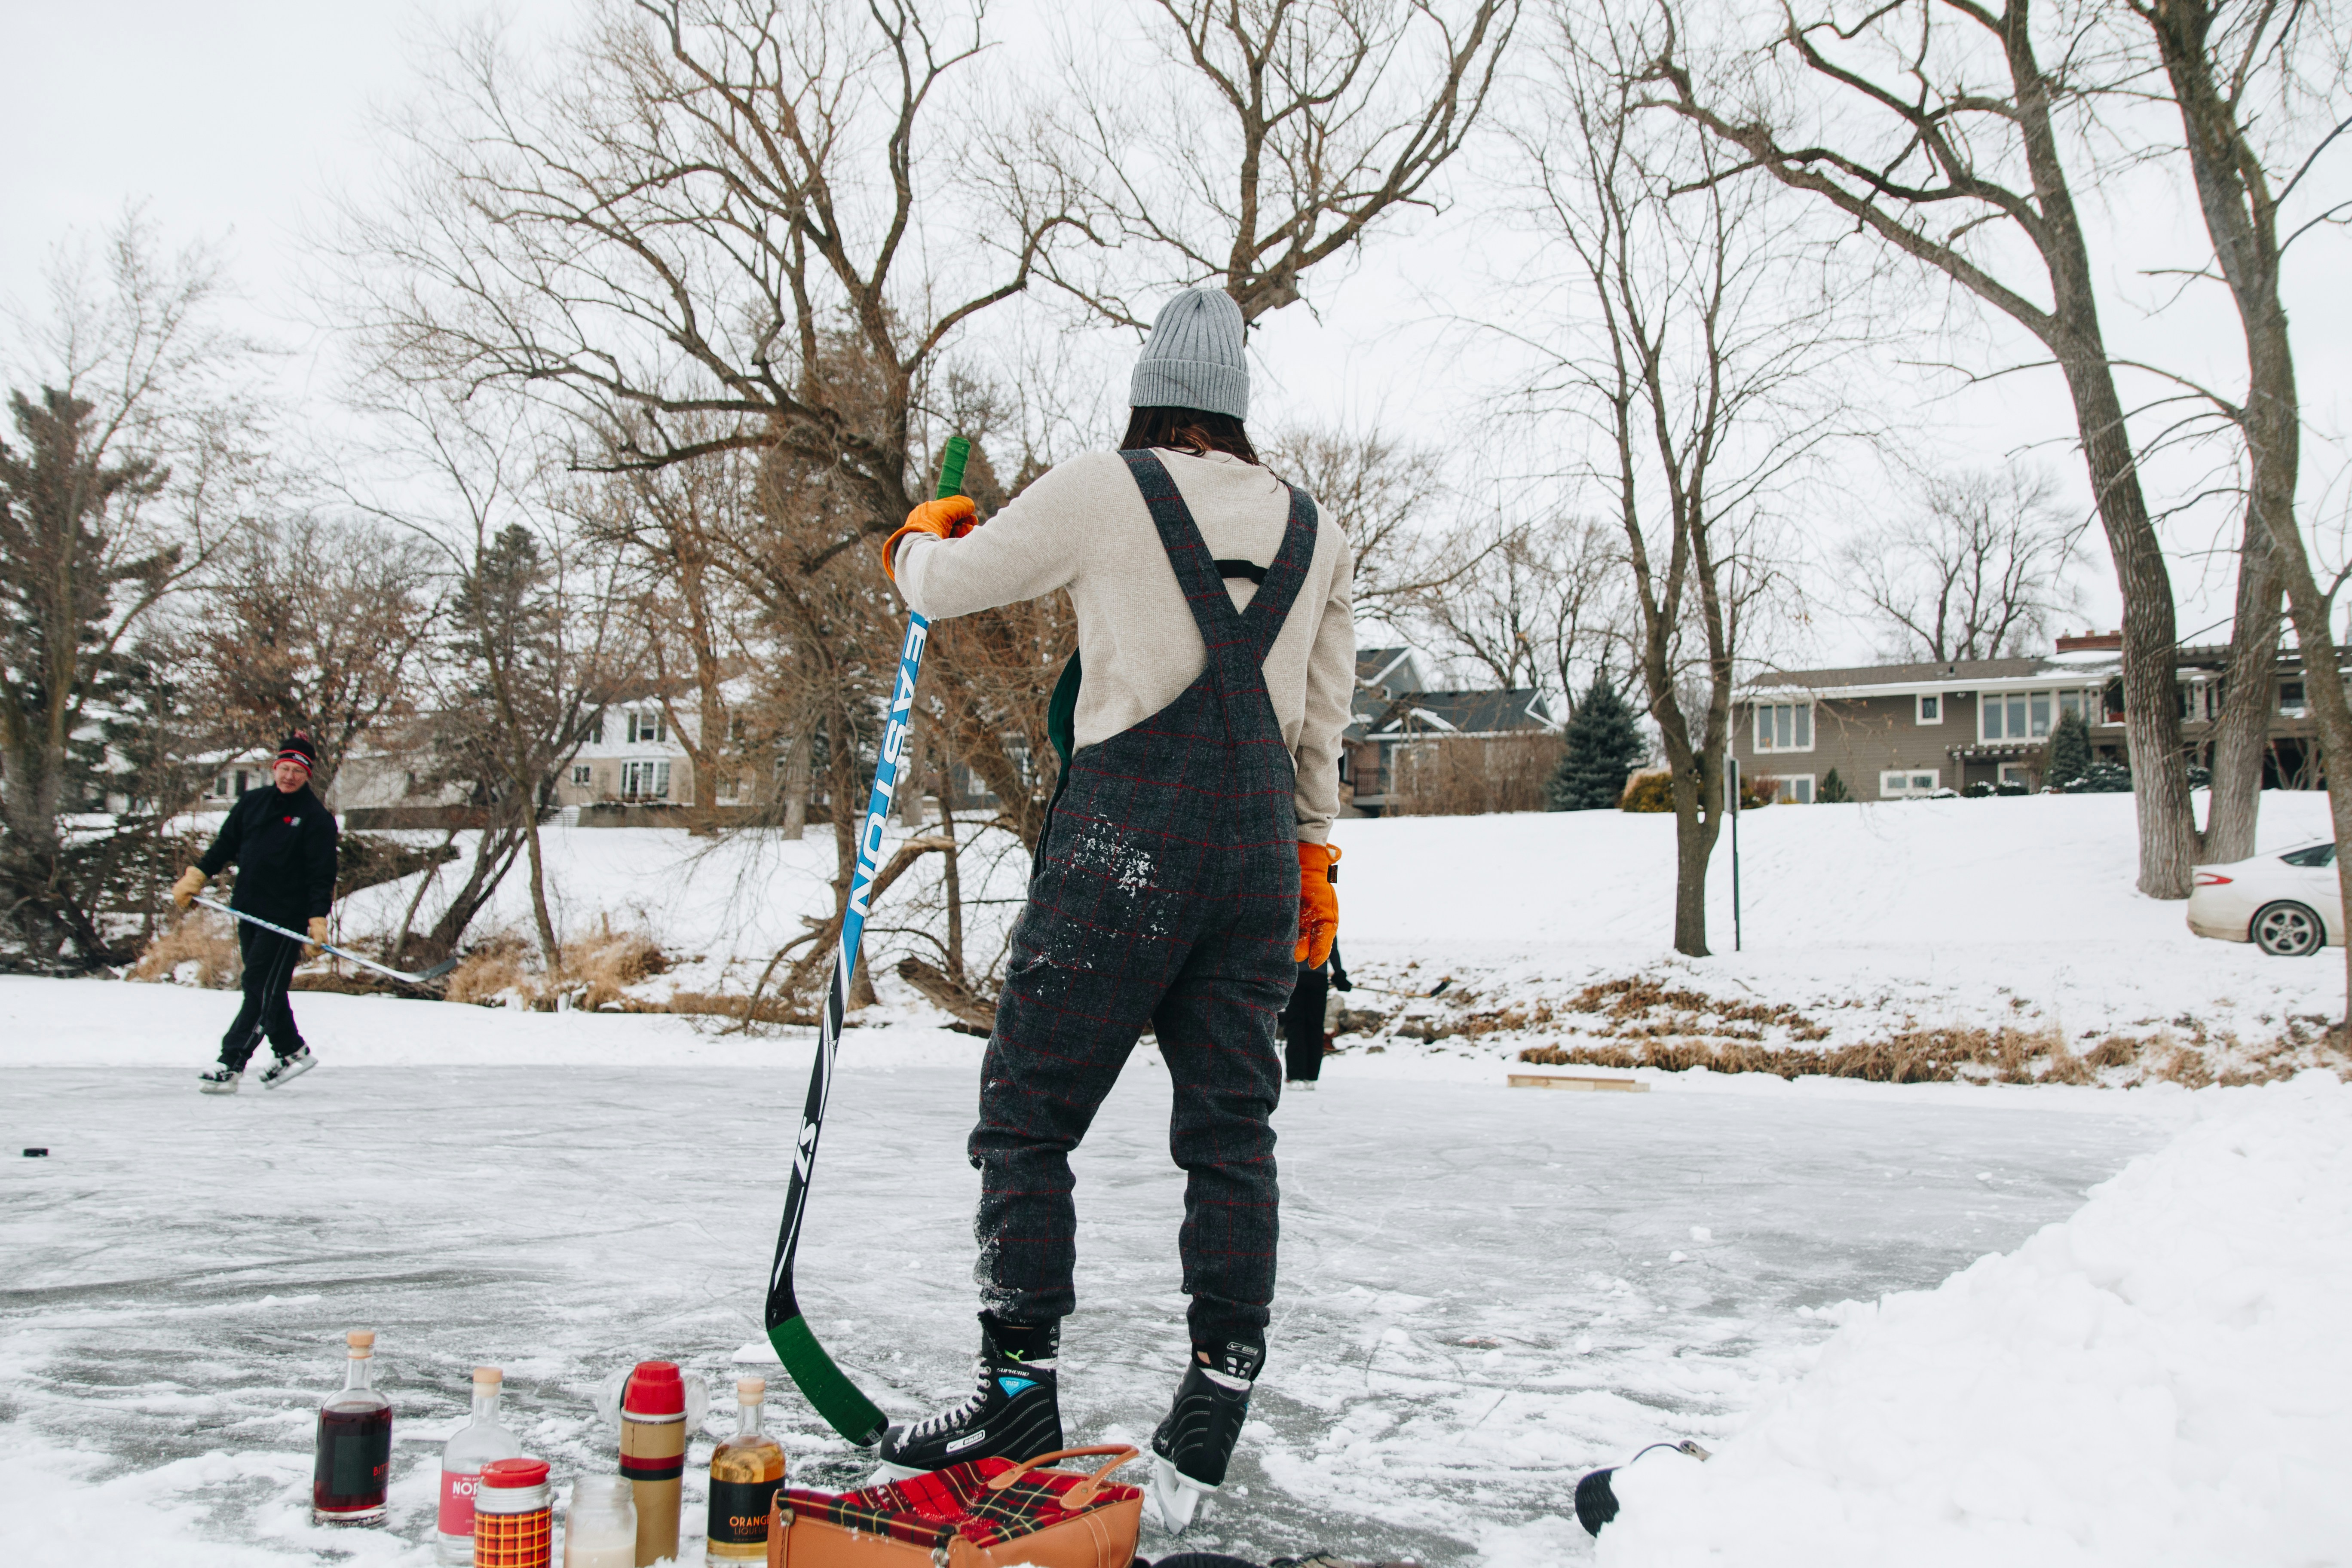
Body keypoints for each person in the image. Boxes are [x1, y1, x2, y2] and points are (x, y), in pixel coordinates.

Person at [871, 289, 1353, 1526]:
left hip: (1123, 854)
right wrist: (1315, 865)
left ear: (1149, 394)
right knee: (1230, 1137)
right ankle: (1218, 1382)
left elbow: (944, 587)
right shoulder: (1315, 528)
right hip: (1253, 868)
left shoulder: (1105, 485)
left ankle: (1017, 1390)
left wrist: (918, 537)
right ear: (1239, 407)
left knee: (1030, 1118)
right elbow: (1322, 723)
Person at [171, 731, 339, 1094]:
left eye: (298, 770)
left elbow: (321, 876)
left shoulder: (316, 819)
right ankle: (291, 1050)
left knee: (258, 987)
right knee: (267, 989)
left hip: (286, 918)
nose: (289, 776)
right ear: (275, 768)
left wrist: (317, 919)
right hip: (249, 910)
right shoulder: (253, 803)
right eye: (284, 768)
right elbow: (224, 846)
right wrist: (197, 875)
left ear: (308, 775)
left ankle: (231, 1063)